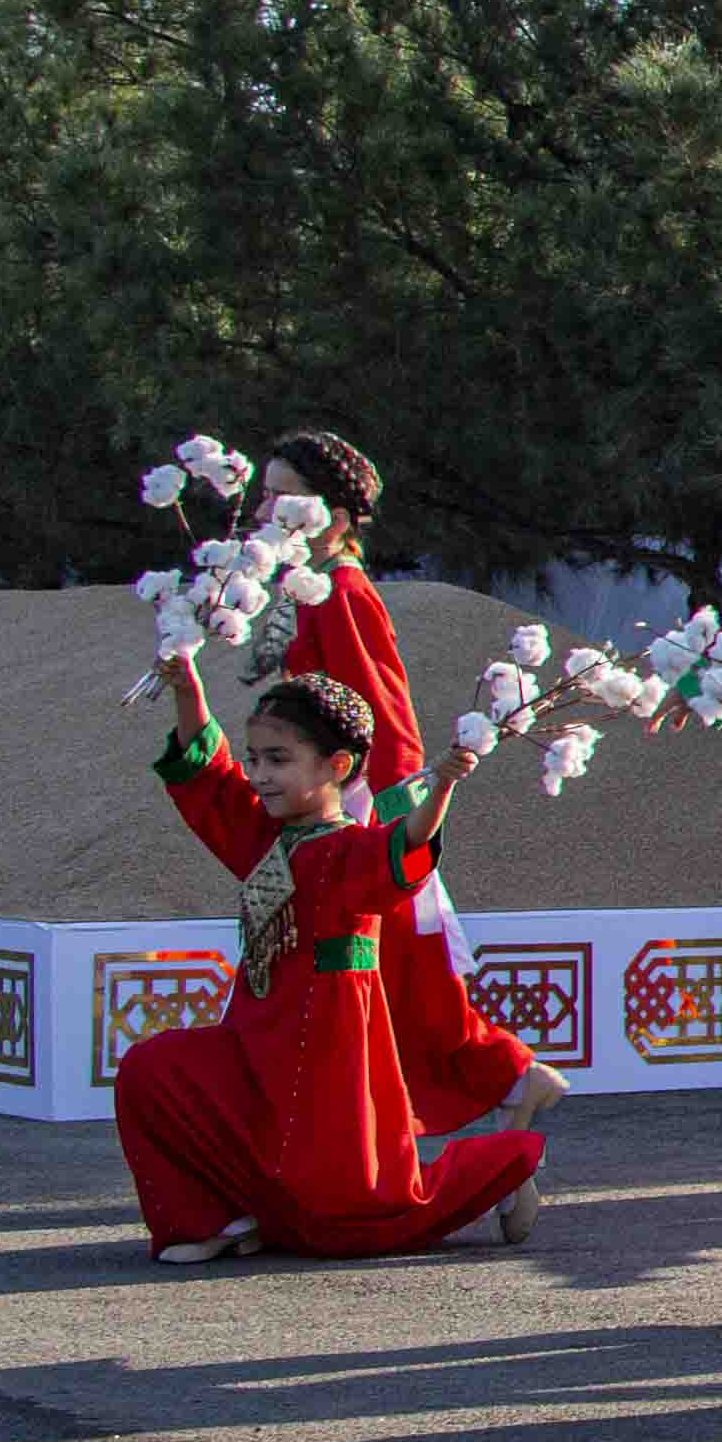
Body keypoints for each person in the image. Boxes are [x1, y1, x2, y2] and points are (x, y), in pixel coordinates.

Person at [114, 662, 549, 1263]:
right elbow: (211, 782)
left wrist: (443, 787)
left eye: (278, 760)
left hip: (326, 1049)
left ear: (337, 767)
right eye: (256, 758)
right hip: (254, 1036)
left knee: (342, 1217)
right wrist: (189, 688)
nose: (260, 775)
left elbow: (404, 846)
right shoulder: (263, 835)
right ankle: (215, 1220)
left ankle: (509, 1160)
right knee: (150, 1073)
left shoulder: (350, 850)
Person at [237, 431, 557, 1147]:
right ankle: (500, 1088)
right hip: (335, 813)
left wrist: (387, 824)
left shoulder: (344, 593)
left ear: (339, 518)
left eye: (282, 496)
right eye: (266, 494)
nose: (265, 509)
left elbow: (386, 720)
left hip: (360, 818)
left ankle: (500, 1084)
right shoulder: (311, 592)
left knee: (400, 978)